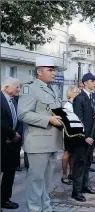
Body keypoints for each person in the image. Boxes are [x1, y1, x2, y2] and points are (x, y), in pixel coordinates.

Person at [18, 56, 63, 211]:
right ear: (39, 72)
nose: (53, 73)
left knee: (47, 181)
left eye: (54, 70)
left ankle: (46, 207)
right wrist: (48, 119)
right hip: (37, 142)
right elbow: (23, 114)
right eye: (50, 70)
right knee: (36, 181)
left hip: (52, 141)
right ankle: (34, 209)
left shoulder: (53, 89)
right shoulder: (29, 88)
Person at [72, 72, 95, 202]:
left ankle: (84, 186)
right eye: (92, 80)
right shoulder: (80, 98)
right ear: (84, 83)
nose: (94, 82)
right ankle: (76, 191)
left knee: (87, 163)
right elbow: (78, 120)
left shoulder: (93, 98)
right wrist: (84, 137)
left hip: (91, 137)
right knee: (79, 164)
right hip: (82, 138)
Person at [1, 77, 21, 210]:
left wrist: (17, 135)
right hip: (2, 142)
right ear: (7, 88)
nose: (19, 89)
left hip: (12, 145)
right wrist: (12, 134)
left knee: (9, 174)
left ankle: (5, 200)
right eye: (17, 87)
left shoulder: (14, 101)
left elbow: (18, 120)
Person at [61, 86, 79, 185]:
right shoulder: (68, 105)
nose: (77, 93)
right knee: (67, 154)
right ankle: (64, 175)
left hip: (75, 132)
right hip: (69, 132)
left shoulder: (74, 104)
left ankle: (71, 173)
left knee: (72, 154)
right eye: (76, 92)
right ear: (70, 93)